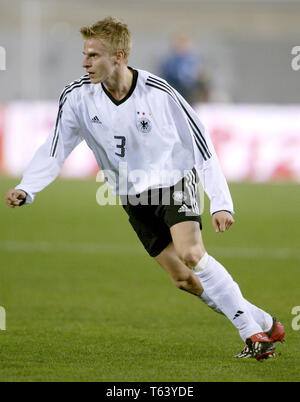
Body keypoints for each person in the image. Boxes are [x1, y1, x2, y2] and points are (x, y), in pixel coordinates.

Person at [5, 17, 285, 360]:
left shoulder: (160, 94)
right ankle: (265, 322)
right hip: (130, 195)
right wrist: (28, 187)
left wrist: (221, 203)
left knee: (192, 253)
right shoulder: (78, 97)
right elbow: (55, 146)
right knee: (184, 279)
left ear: (119, 56)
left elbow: (202, 147)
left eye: (94, 55)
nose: (85, 62)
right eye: (84, 54)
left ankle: (252, 335)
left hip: (173, 181)